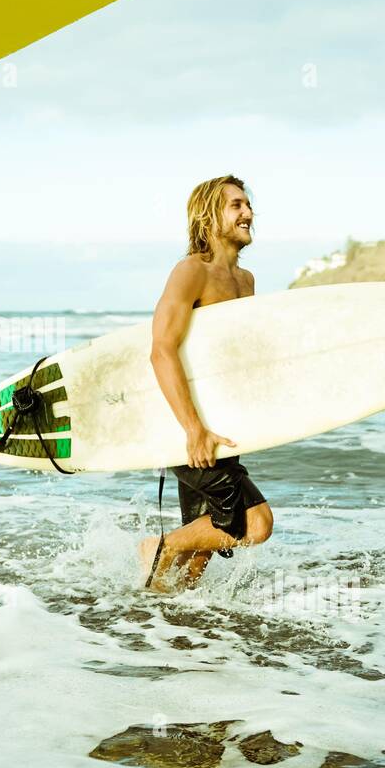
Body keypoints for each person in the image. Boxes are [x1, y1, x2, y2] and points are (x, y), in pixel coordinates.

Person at [138, 175, 275, 591]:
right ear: (208, 215)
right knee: (255, 524)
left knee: (197, 559)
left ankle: (151, 611)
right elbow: (161, 349)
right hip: (186, 424)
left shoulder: (246, 281)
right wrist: (192, 428)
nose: (248, 213)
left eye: (248, 205)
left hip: (221, 423)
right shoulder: (190, 272)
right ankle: (155, 546)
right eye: (236, 206)